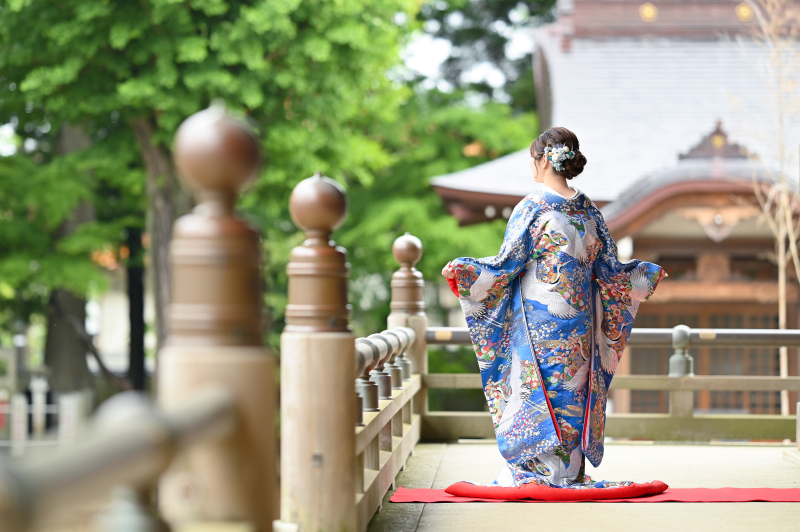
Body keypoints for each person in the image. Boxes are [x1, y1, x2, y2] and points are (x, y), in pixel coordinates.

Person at [442, 127, 666, 489]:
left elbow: (506, 265)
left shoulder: (532, 207)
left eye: (533, 160)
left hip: (540, 326)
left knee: (540, 390)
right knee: (575, 391)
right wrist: (643, 276)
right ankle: (570, 472)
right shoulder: (590, 212)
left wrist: (464, 273)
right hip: (581, 325)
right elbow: (611, 273)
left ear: (544, 159)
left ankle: (540, 473)